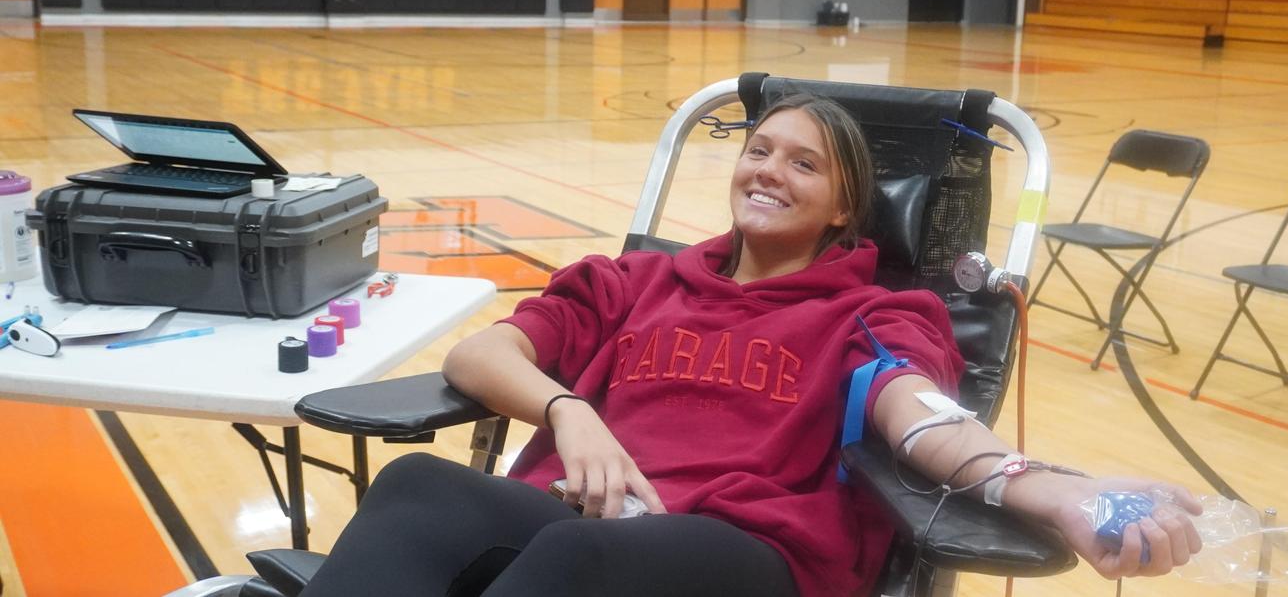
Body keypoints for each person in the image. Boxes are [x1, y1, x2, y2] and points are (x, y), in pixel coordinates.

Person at [300, 94, 1202, 597]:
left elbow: (921, 418)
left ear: (849, 207)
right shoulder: (638, 283)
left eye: (804, 163)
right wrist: (569, 411)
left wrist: (1057, 492)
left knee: (578, 563)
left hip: (745, 548)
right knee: (420, 487)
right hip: (591, 517)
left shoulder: (875, 314)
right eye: (760, 151)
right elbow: (480, 357)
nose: (768, 170)